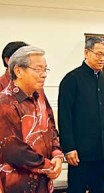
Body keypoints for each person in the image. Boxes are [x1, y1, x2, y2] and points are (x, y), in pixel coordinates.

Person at [58, 37, 104, 193]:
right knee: (76, 189)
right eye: (98, 53)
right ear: (86, 52)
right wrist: (69, 148)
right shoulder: (71, 79)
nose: (102, 58)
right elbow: (65, 117)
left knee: (99, 189)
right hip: (79, 152)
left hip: (102, 151)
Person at [0, 46, 63, 193]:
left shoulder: (39, 94)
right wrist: (48, 166)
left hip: (44, 180)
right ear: (18, 71)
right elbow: (13, 149)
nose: (43, 75)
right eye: (38, 69)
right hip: (18, 183)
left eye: (45, 69)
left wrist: (57, 155)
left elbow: (51, 127)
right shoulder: (5, 102)